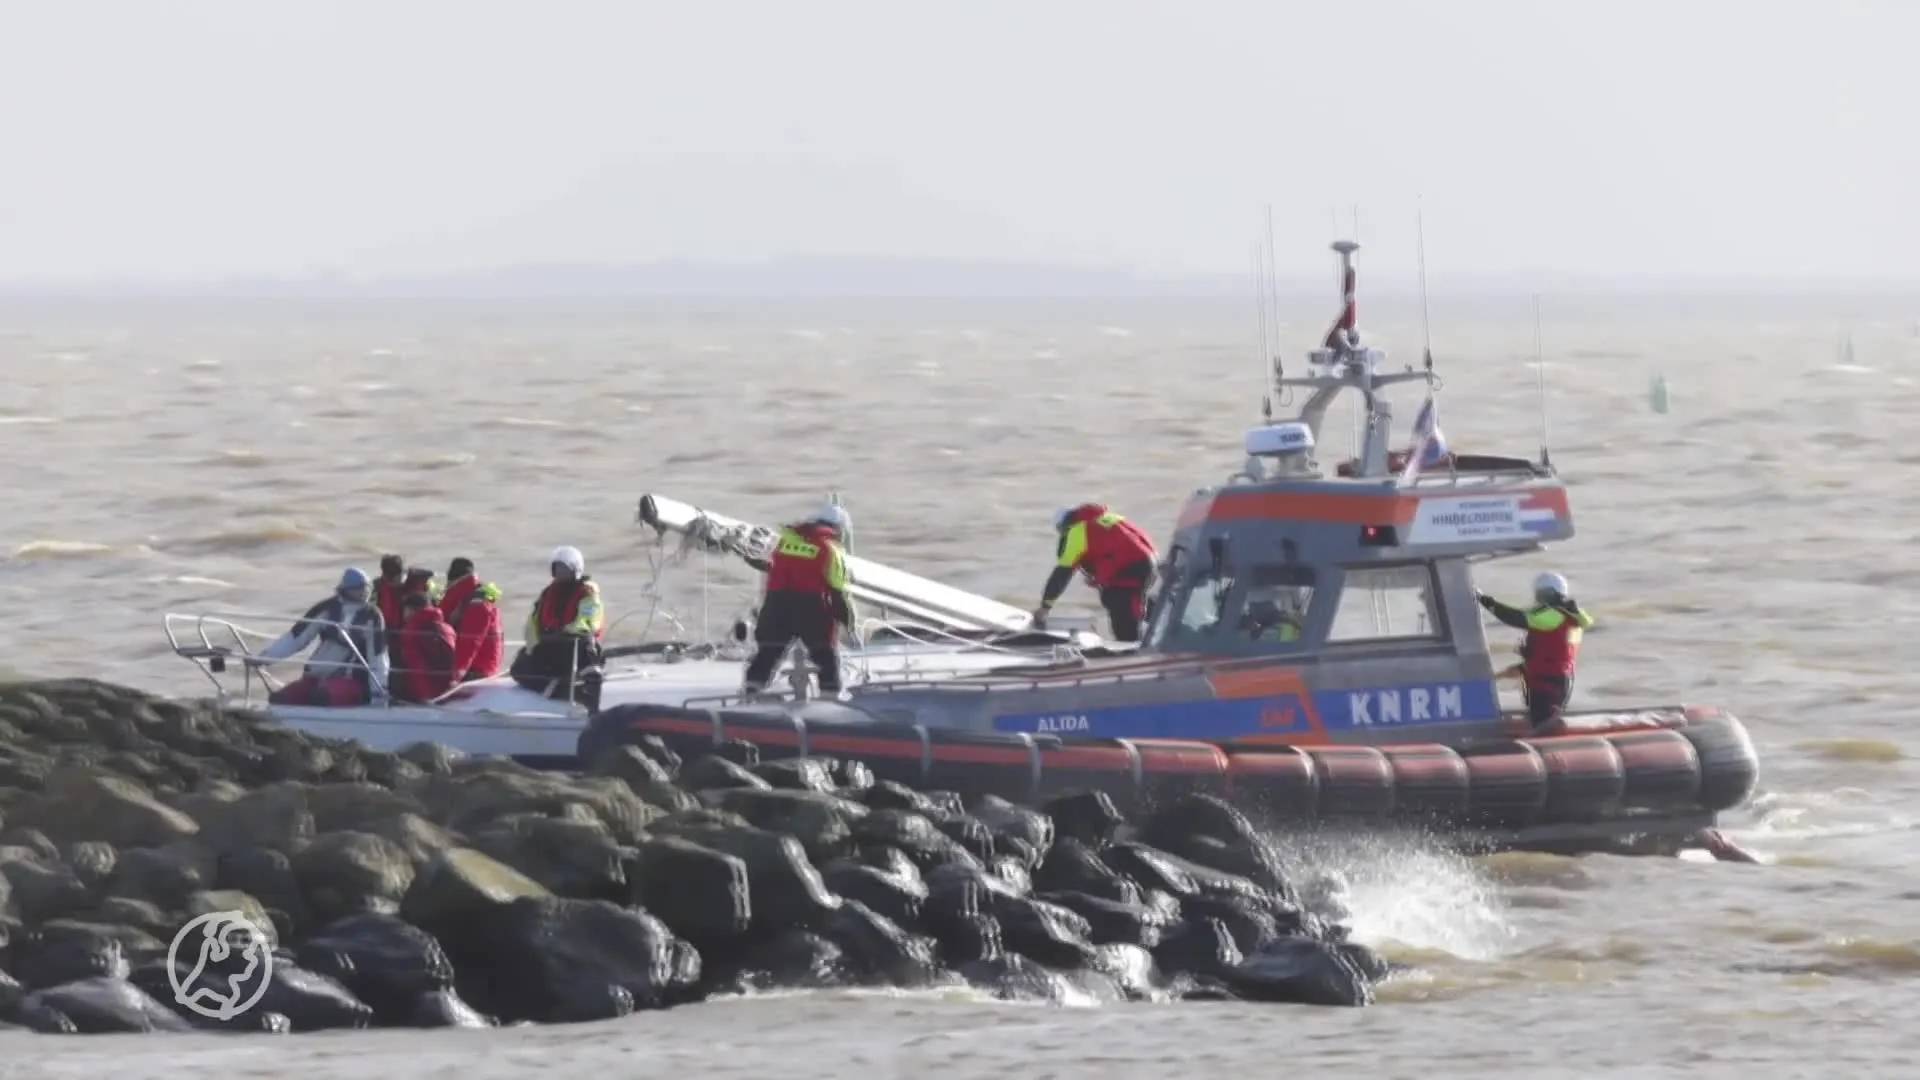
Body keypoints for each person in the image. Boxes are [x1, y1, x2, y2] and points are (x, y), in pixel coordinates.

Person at [741, 505, 857, 697]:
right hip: (811, 608)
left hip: (776, 605)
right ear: (838, 529)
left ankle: (750, 694)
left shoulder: (785, 540)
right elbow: (838, 592)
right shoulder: (830, 549)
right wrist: (849, 622)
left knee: (768, 653)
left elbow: (772, 567)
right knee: (825, 656)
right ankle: (830, 698)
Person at [251, 567, 391, 707]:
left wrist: (378, 692)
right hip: (316, 677)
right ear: (346, 589)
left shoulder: (372, 617)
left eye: (366, 588)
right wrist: (265, 657)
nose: (363, 593)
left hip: (352, 680)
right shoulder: (327, 608)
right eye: (358, 589)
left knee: (320, 698)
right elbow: (296, 638)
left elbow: (378, 657)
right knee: (279, 699)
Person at [1477, 572, 1596, 733]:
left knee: (1543, 724)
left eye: (1541, 595)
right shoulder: (1572, 620)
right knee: (1545, 719)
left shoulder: (1552, 616)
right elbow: (1552, 654)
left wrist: (1486, 601)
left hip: (1547, 682)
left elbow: (1514, 617)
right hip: (1558, 679)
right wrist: (1504, 674)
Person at [1030, 504, 1158, 642]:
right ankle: (1167, 619)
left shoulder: (1077, 532)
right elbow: (1112, 547)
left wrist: (1045, 607)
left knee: (1118, 604)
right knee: (1133, 598)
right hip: (1149, 562)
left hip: (1130, 568)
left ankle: (1131, 651)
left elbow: (1061, 574)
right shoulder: (1106, 518)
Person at [510, 545, 606, 709]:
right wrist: (534, 646)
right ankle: (556, 690)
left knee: (585, 643)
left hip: (572, 642)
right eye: (557, 568)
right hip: (549, 643)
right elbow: (533, 623)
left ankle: (589, 690)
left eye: (564, 568)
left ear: (575, 569)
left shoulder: (587, 593)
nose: (560, 572)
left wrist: (567, 633)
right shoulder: (548, 594)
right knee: (519, 667)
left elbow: (588, 621)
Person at [438, 557, 505, 682]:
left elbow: (470, 641)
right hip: (478, 666)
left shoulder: (475, 604)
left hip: (477, 670)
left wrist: (456, 676)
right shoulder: (467, 598)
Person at [393, 591, 458, 703]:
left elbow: (417, 667)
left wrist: (425, 697)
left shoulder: (411, 631)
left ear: (411, 610)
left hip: (427, 693)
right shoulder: (447, 628)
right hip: (448, 690)